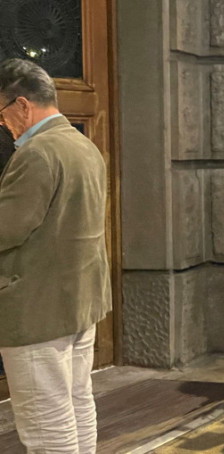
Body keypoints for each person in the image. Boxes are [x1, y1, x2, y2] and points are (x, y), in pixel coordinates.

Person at [0, 59, 110, 453]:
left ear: (22, 105)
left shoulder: (38, 154)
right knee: (76, 403)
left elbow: (7, 227)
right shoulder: (83, 145)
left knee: (46, 423)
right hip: (78, 301)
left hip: (38, 309)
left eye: (2, 113)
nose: (4, 123)